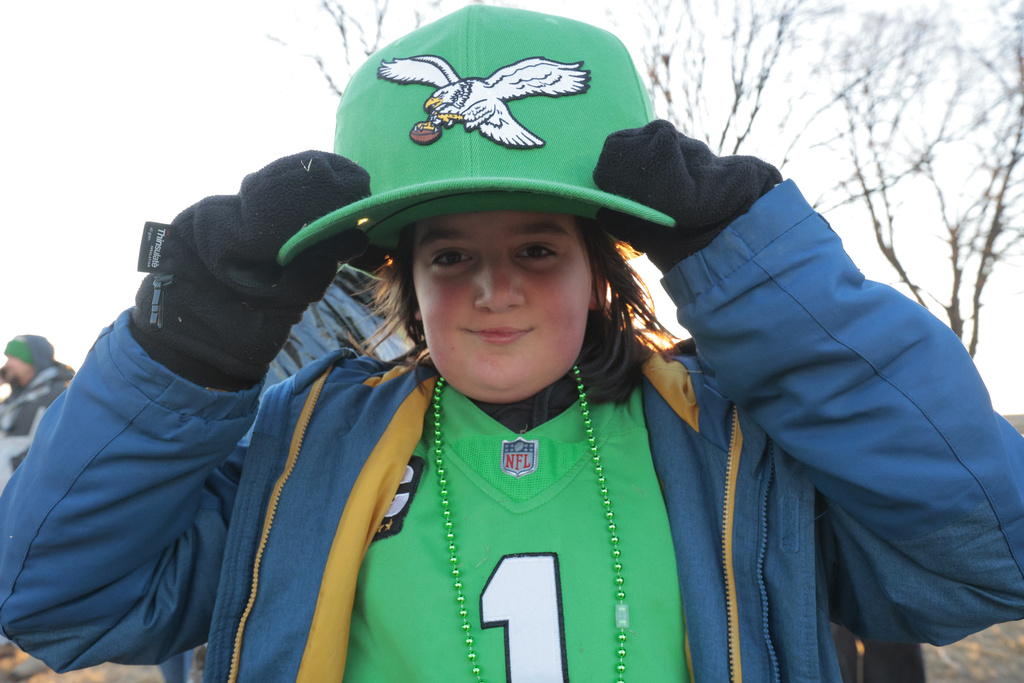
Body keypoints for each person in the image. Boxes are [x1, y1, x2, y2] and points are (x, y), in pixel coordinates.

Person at [1, 6, 1022, 682]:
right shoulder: (300, 444)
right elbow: (48, 595)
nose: (491, 287)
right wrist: (180, 361)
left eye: (536, 246)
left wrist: (769, 273)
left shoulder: (732, 442)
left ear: (605, 267)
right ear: (404, 278)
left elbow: (989, 556)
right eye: (448, 255)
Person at [0, 335, 74, 489]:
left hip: (15, 493)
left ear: (32, 360)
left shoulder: (57, 396)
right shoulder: (13, 399)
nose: (6, 364)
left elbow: (47, 453)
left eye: (13, 358)